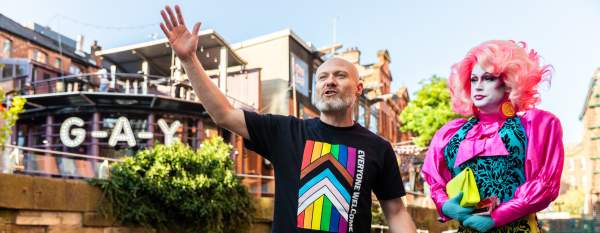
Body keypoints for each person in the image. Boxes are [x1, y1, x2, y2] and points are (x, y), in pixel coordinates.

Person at [159, 5, 417, 233]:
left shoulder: (378, 148)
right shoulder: (285, 131)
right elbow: (223, 114)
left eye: (340, 75)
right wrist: (188, 60)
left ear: (359, 89)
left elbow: (395, 211)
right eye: (322, 77)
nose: (329, 81)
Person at [422, 40, 564, 232]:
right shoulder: (450, 134)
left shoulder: (535, 126)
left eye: (488, 78)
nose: (478, 86)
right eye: (473, 79)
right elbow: (436, 182)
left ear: (508, 83)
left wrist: (497, 217)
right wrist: (446, 206)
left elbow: (544, 185)